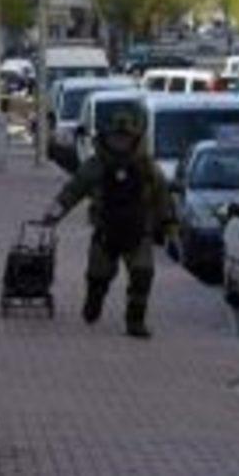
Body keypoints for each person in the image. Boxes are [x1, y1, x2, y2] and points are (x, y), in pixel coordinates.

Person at [43, 105, 175, 338]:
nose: (121, 142)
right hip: (106, 230)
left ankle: (135, 322)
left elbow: (162, 195)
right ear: (108, 136)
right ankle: (93, 302)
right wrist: (53, 214)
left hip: (138, 232)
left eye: (126, 137)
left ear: (135, 138)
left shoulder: (146, 166)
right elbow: (72, 191)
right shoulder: (97, 165)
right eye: (117, 137)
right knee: (98, 276)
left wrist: (169, 223)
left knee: (142, 275)